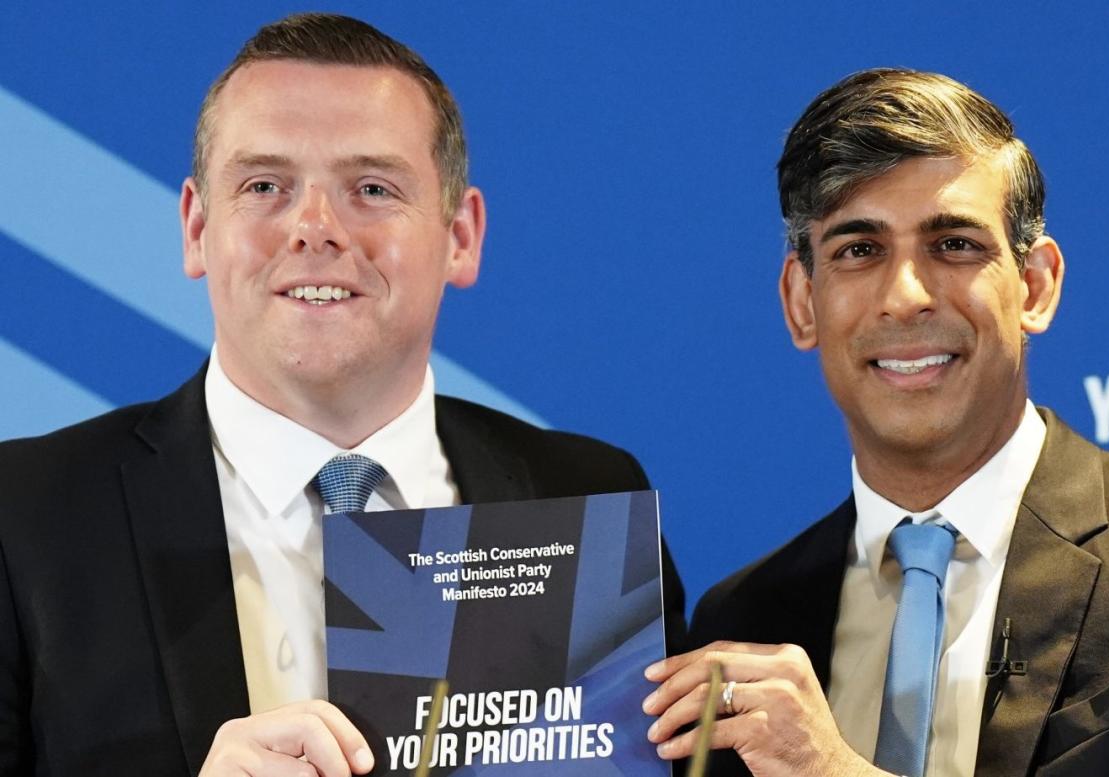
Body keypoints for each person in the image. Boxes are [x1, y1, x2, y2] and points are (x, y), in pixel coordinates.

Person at [0, 13, 683, 776]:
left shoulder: (589, 495)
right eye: (265, 185)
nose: (314, 228)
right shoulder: (23, 514)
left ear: (461, 234)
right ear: (196, 227)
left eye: (371, 187)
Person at [643, 68, 1109, 776]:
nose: (905, 296)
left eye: (954, 244)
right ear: (802, 301)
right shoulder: (740, 619)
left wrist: (834, 770)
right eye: (859, 250)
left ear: (1036, 285)